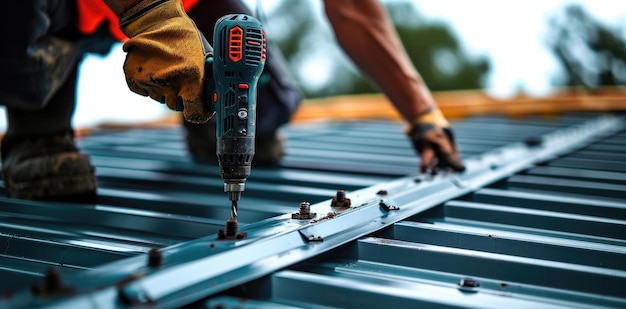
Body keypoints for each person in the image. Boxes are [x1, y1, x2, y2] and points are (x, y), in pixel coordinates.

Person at [0, 0, 463, 201]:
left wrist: (423, 115)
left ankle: (205, 115)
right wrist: (152, 15)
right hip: (62, 8)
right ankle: (37, 132)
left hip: (182, 1)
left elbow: (353, 10)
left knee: (267, 108)